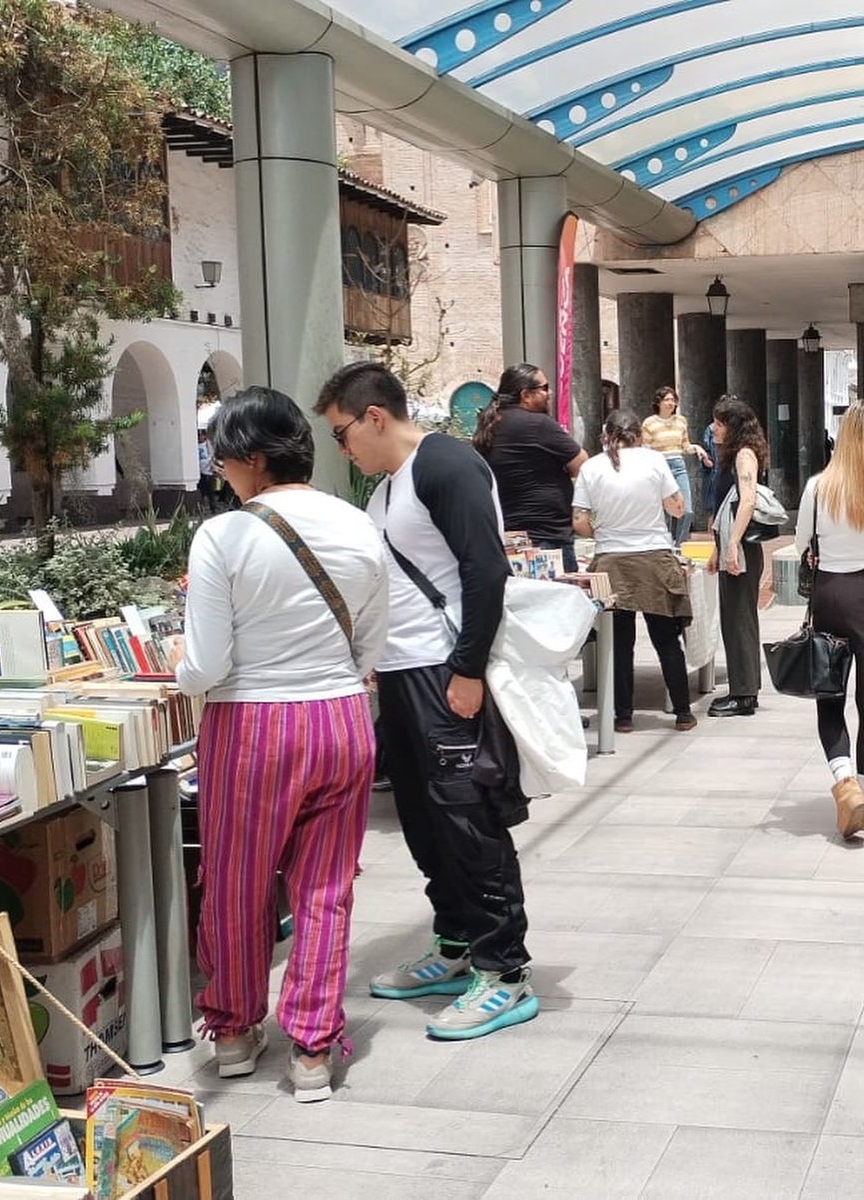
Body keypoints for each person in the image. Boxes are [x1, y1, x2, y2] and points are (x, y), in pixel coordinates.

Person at [169, 386, 388, 1101]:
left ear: (253, 459)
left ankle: (233, 1032)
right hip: (339, 721)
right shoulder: (357, 525)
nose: (220, 471)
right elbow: (370, 645)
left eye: (224, 458)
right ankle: (313, 1052)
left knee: (235, 882)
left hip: (251, 727)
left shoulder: (224, 536)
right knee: (324, 889)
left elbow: (203, 667)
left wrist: (174, 666)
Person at [315, 361, 538, 1041]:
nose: (342, 448)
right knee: (422, 819)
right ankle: (455, 943)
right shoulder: (390, 487)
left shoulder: (445, 465)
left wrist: (466, 669)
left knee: (467, 821)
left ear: (374, 416)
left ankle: (503, 971)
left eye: (341, 433)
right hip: (406, 674)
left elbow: (484, 568)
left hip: (445, 672)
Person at [572, 409, 695, 733]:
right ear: (639, 434)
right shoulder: (654, 461)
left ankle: (622, 716)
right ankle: (683, 712)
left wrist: (604, 533)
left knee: (618, 643)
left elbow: (579, 521)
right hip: (654, 556)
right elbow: (677, 507)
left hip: (611, 561)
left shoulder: (591, 467)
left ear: (605, 434)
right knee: (667, 640)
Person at [795, 402, 864, 838]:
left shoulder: (819, 487)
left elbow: (803, 542)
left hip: (831, 596)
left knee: (830, 692)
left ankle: (845, 783)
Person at [472, 363, 587, 572]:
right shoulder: (538, 425)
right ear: (526, 395)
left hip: (508, 537)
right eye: (544, 388)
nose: (549, 393)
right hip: (547, 539)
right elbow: (582, 464)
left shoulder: (489, 424)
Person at [706, 394, 769, 717]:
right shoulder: (732, 455)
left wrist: (731, 544)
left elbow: (746, 501)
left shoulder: (744, 455)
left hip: (741, 546)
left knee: (739, 619)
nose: (714, 429)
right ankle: (744, 689)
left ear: (732, 426)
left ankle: (743, 694)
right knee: (735, 618)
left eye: (718, 423)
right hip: (734, 544)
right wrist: (720, 546)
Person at [641, 386, 712, 549]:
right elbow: (646, 448)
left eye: (673, 400)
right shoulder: (649, 423)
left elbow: (684, 444)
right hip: (659, 466)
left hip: (678, 465)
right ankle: (664, 546)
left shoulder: (681, 421)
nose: (671, 403)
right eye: (667, 399)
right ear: (658, 402)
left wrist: (697, 449)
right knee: (665, 513)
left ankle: (679, 545)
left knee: (687, 510)